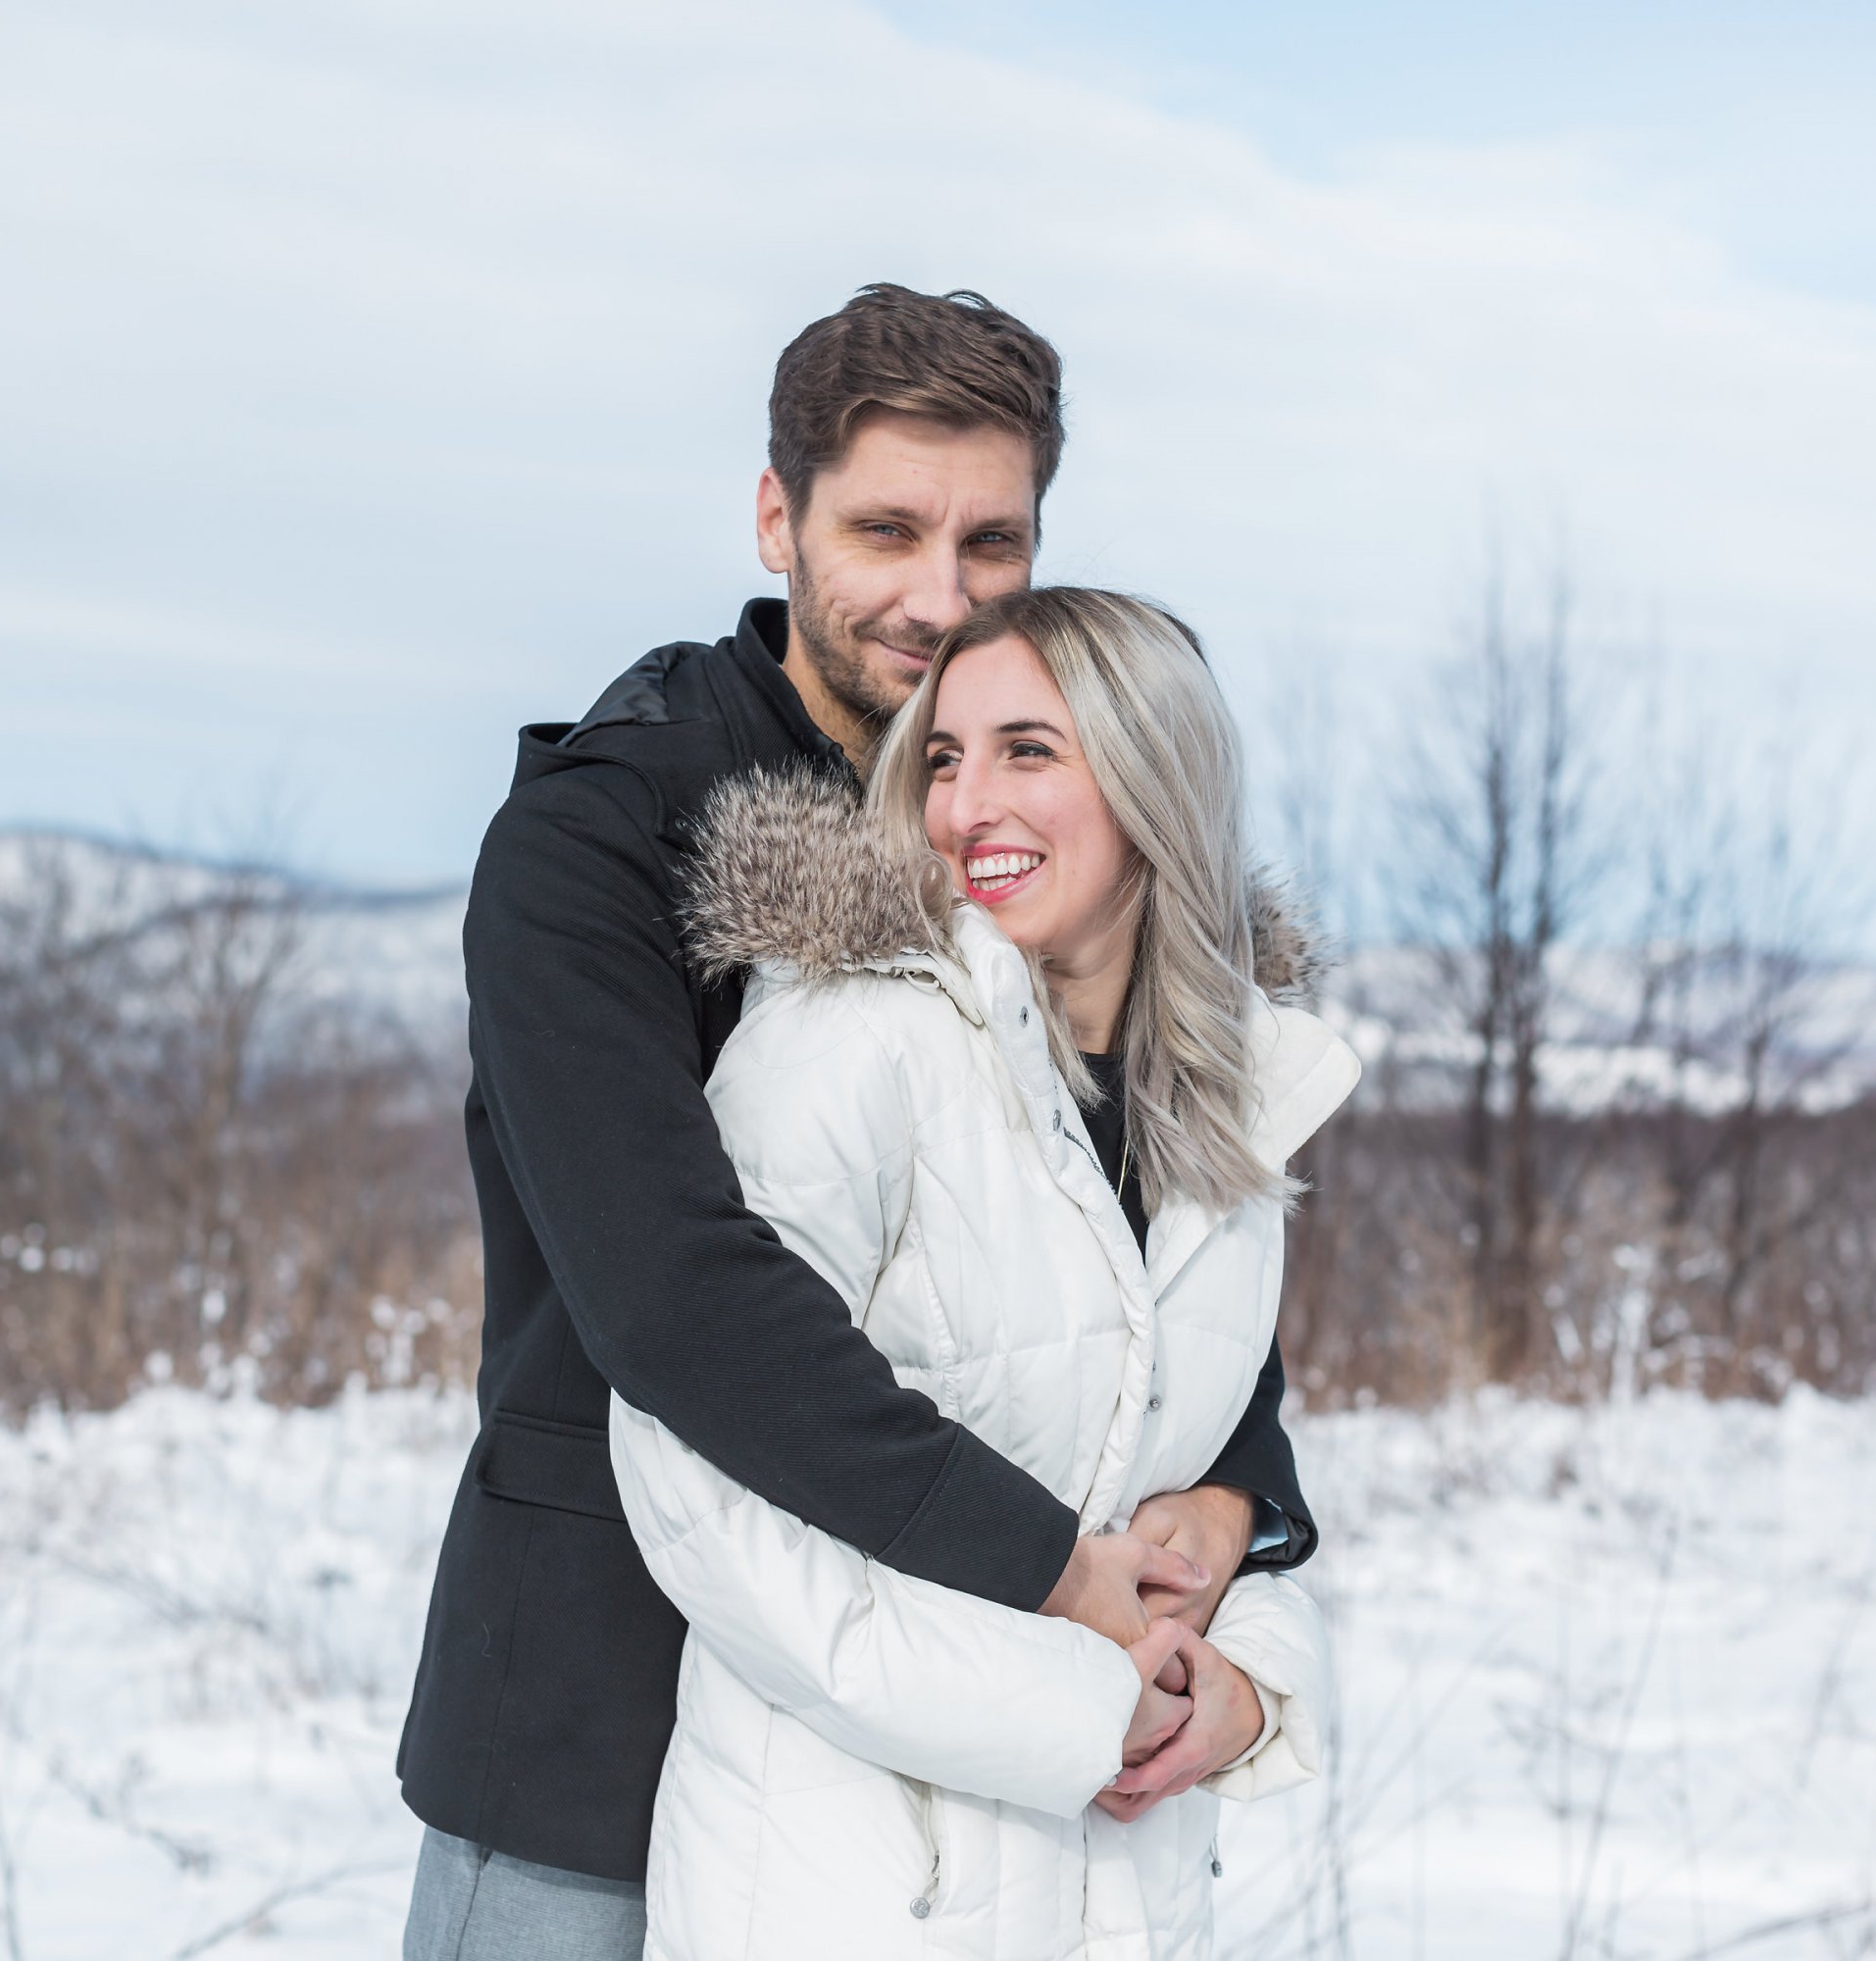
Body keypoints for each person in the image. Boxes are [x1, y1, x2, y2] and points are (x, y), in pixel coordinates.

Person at [397, 287, 1322, 1957]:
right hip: (605, 1697)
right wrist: (1052, 1569)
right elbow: (673, 1288)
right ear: (777, 518)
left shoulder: (1038, 852)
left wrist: (1238, 1496)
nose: (939, 595)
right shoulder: (601, 838)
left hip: (968, 1746)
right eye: (884, 530)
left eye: (993, 541)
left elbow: (1140, 1248)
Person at [616, 586, 1357, 1957]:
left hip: (1125, 1896)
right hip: (854, 1895)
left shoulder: (1226, 1102)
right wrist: (1080, 1708)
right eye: (944, 757)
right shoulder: (845, 1047)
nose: (966, 806)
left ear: (1156, 780)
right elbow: (703, 1492)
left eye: (1029, 750)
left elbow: (1184, 1473)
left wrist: (1248, 1689)